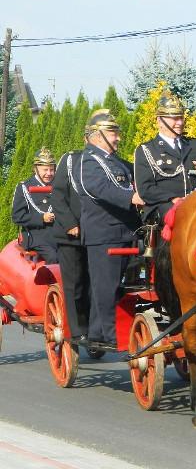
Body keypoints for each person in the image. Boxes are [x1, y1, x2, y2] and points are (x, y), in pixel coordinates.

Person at [76, 109, 144, 350]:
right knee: (106, 286)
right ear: (98, 135)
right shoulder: (87, 161)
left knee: (124, 286)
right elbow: (101, 188)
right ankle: (107, 333)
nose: (118, 138)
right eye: (113, 133)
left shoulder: (115, 161)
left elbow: (137, 176)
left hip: (127, 231)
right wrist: (132, 197)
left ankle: (99, 331)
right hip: (104, 234)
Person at [133, 91, 196, 224]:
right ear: (159, 121)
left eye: (181, 117)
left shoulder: (194, 145)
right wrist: (173, 199)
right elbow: (145, 189)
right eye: (174, 118)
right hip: (164, 208)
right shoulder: (146, 150)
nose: (179, 122)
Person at [50, 139, 91, 344]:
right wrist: (70, 224)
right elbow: (57, 196)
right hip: (71, 235)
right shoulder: (70, 160)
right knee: (75, 284)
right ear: (88, 139)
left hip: (97, 235)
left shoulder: (109, 163)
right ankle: (77, 330)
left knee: (95, 284)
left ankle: (94, 326)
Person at [11, 147, 58, 263]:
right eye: (45, 170)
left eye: (52, 170)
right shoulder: (24, 187)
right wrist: (41, 218)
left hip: (58, 233)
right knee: (54, 257)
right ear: (35, 169)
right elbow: (17, 217)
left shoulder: (59, 186)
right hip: (36, 236)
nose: (49, 173)